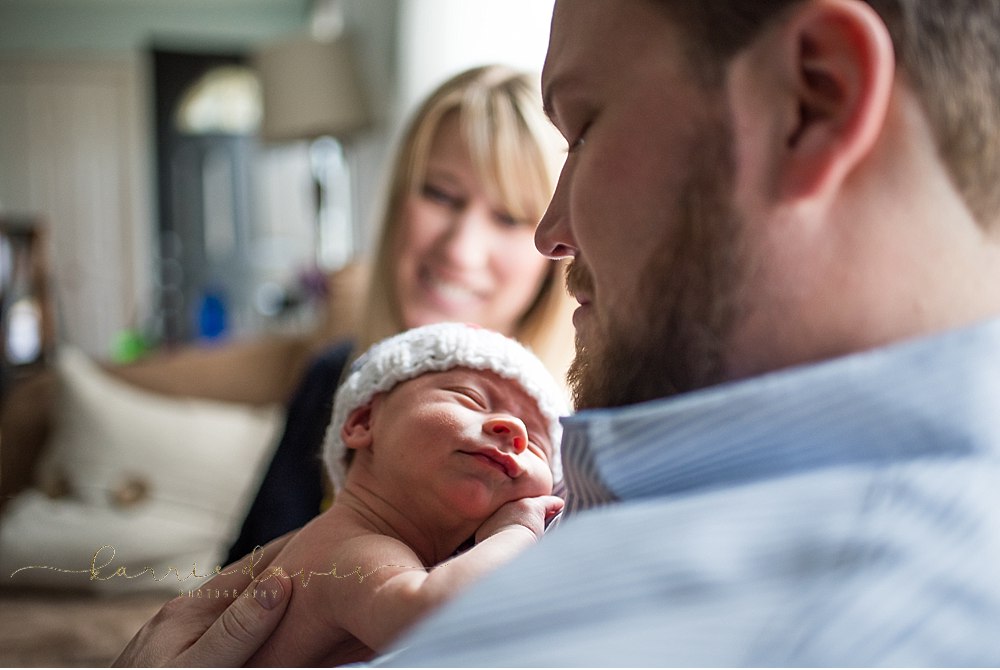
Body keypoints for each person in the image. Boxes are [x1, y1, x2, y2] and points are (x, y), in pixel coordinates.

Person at [115, 0, 1000, 665]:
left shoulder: (842, 616)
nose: (547, 232)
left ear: (811, 98)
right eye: (440, 195)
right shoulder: (634, 468)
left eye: (585, 124)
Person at [226, 64, 575, 562]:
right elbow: (238, 575)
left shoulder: (578, 436)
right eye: (441, 194)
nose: (461, 249)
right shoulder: (333, 378)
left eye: (510, 218)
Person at [236, 322, 568, 665]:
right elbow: (432, 620)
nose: (513, 431)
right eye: (472, 398)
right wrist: (517, 531)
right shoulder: (352, 547)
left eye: (537, 445)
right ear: (364, 422)